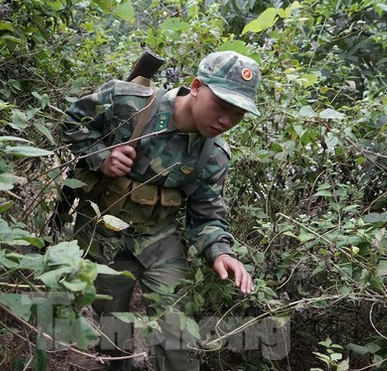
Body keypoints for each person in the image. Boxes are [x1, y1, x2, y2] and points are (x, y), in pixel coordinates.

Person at [60, 50, 260, 370]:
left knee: (176, 330)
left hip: (158, 238)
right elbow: (73, 120)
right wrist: (101, 156)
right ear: (196, 86)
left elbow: (206, 213)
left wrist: (221, 252)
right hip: (103, 233)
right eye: (222, 105)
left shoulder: (215, 155)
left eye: (239, 113)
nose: (227, 120)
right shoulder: (131, 102)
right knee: (113, 325)